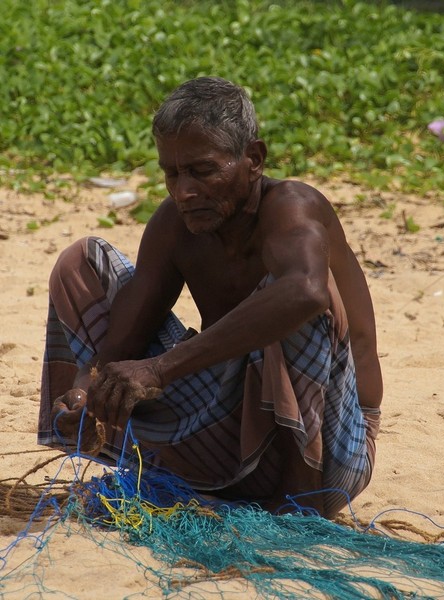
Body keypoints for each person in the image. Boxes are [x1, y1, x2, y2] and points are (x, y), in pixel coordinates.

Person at [38, 76, 383, 518]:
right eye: (172, 173)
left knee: (297, 292)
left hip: (333, 453)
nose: (184, 191)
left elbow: (306, 291)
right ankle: (157, 463)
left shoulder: (293, 207)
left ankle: (299, 507)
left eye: (202, 171)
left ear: (253, 159)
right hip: (225, 441)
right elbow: (120, 344)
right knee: (81, 262)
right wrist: (86, 392)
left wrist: (160, 367)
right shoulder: (174, 226)